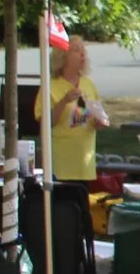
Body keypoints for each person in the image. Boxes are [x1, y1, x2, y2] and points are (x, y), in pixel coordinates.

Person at [36, 31, 109, 184]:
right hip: (61, 166)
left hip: (85, 166)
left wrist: (101, 123)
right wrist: (64, 101)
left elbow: (101, 116)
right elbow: (45, 123)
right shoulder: (50, 87)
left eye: (84, 49)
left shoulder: (88, 84)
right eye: (76, 50)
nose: (82, 53)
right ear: (63, 57)